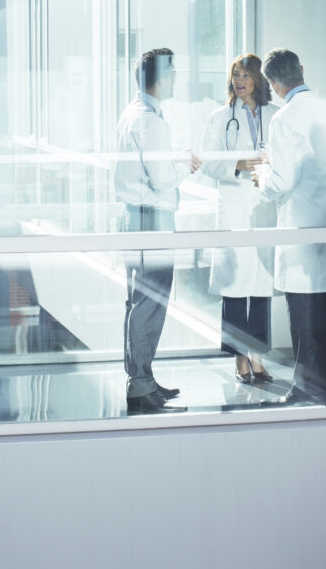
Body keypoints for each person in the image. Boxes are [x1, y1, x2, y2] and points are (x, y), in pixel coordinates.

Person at [253, 48, 326, 406]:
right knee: (325, 311)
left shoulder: (285, 119)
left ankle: (306, 387)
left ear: (273, 84)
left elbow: (280, 182)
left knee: (302, 316)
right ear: (302, 71)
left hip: (301, 229)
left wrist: (262, 175)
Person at [115, 47, 201, 413]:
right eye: (174, 72)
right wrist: (184, 162)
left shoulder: (136, 113)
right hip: (151, 218)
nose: (177, 78)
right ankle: (141, 385)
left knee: (139, 303)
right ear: (162, 77)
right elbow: (163, 178)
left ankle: (142, 378)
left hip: (136, 216)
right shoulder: (149, 120)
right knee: (149, 304)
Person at [201, 54, 277, 384]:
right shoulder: (221, 118)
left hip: (263, 205)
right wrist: (237, 166)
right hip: (233, 205)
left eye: (246, 74)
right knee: (234, 285)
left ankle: (257, 354)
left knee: (261, 284)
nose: (239, 80)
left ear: (259, 78)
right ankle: (239, 358)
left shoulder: (276, 116)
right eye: (235, 74)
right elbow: (207, 162)